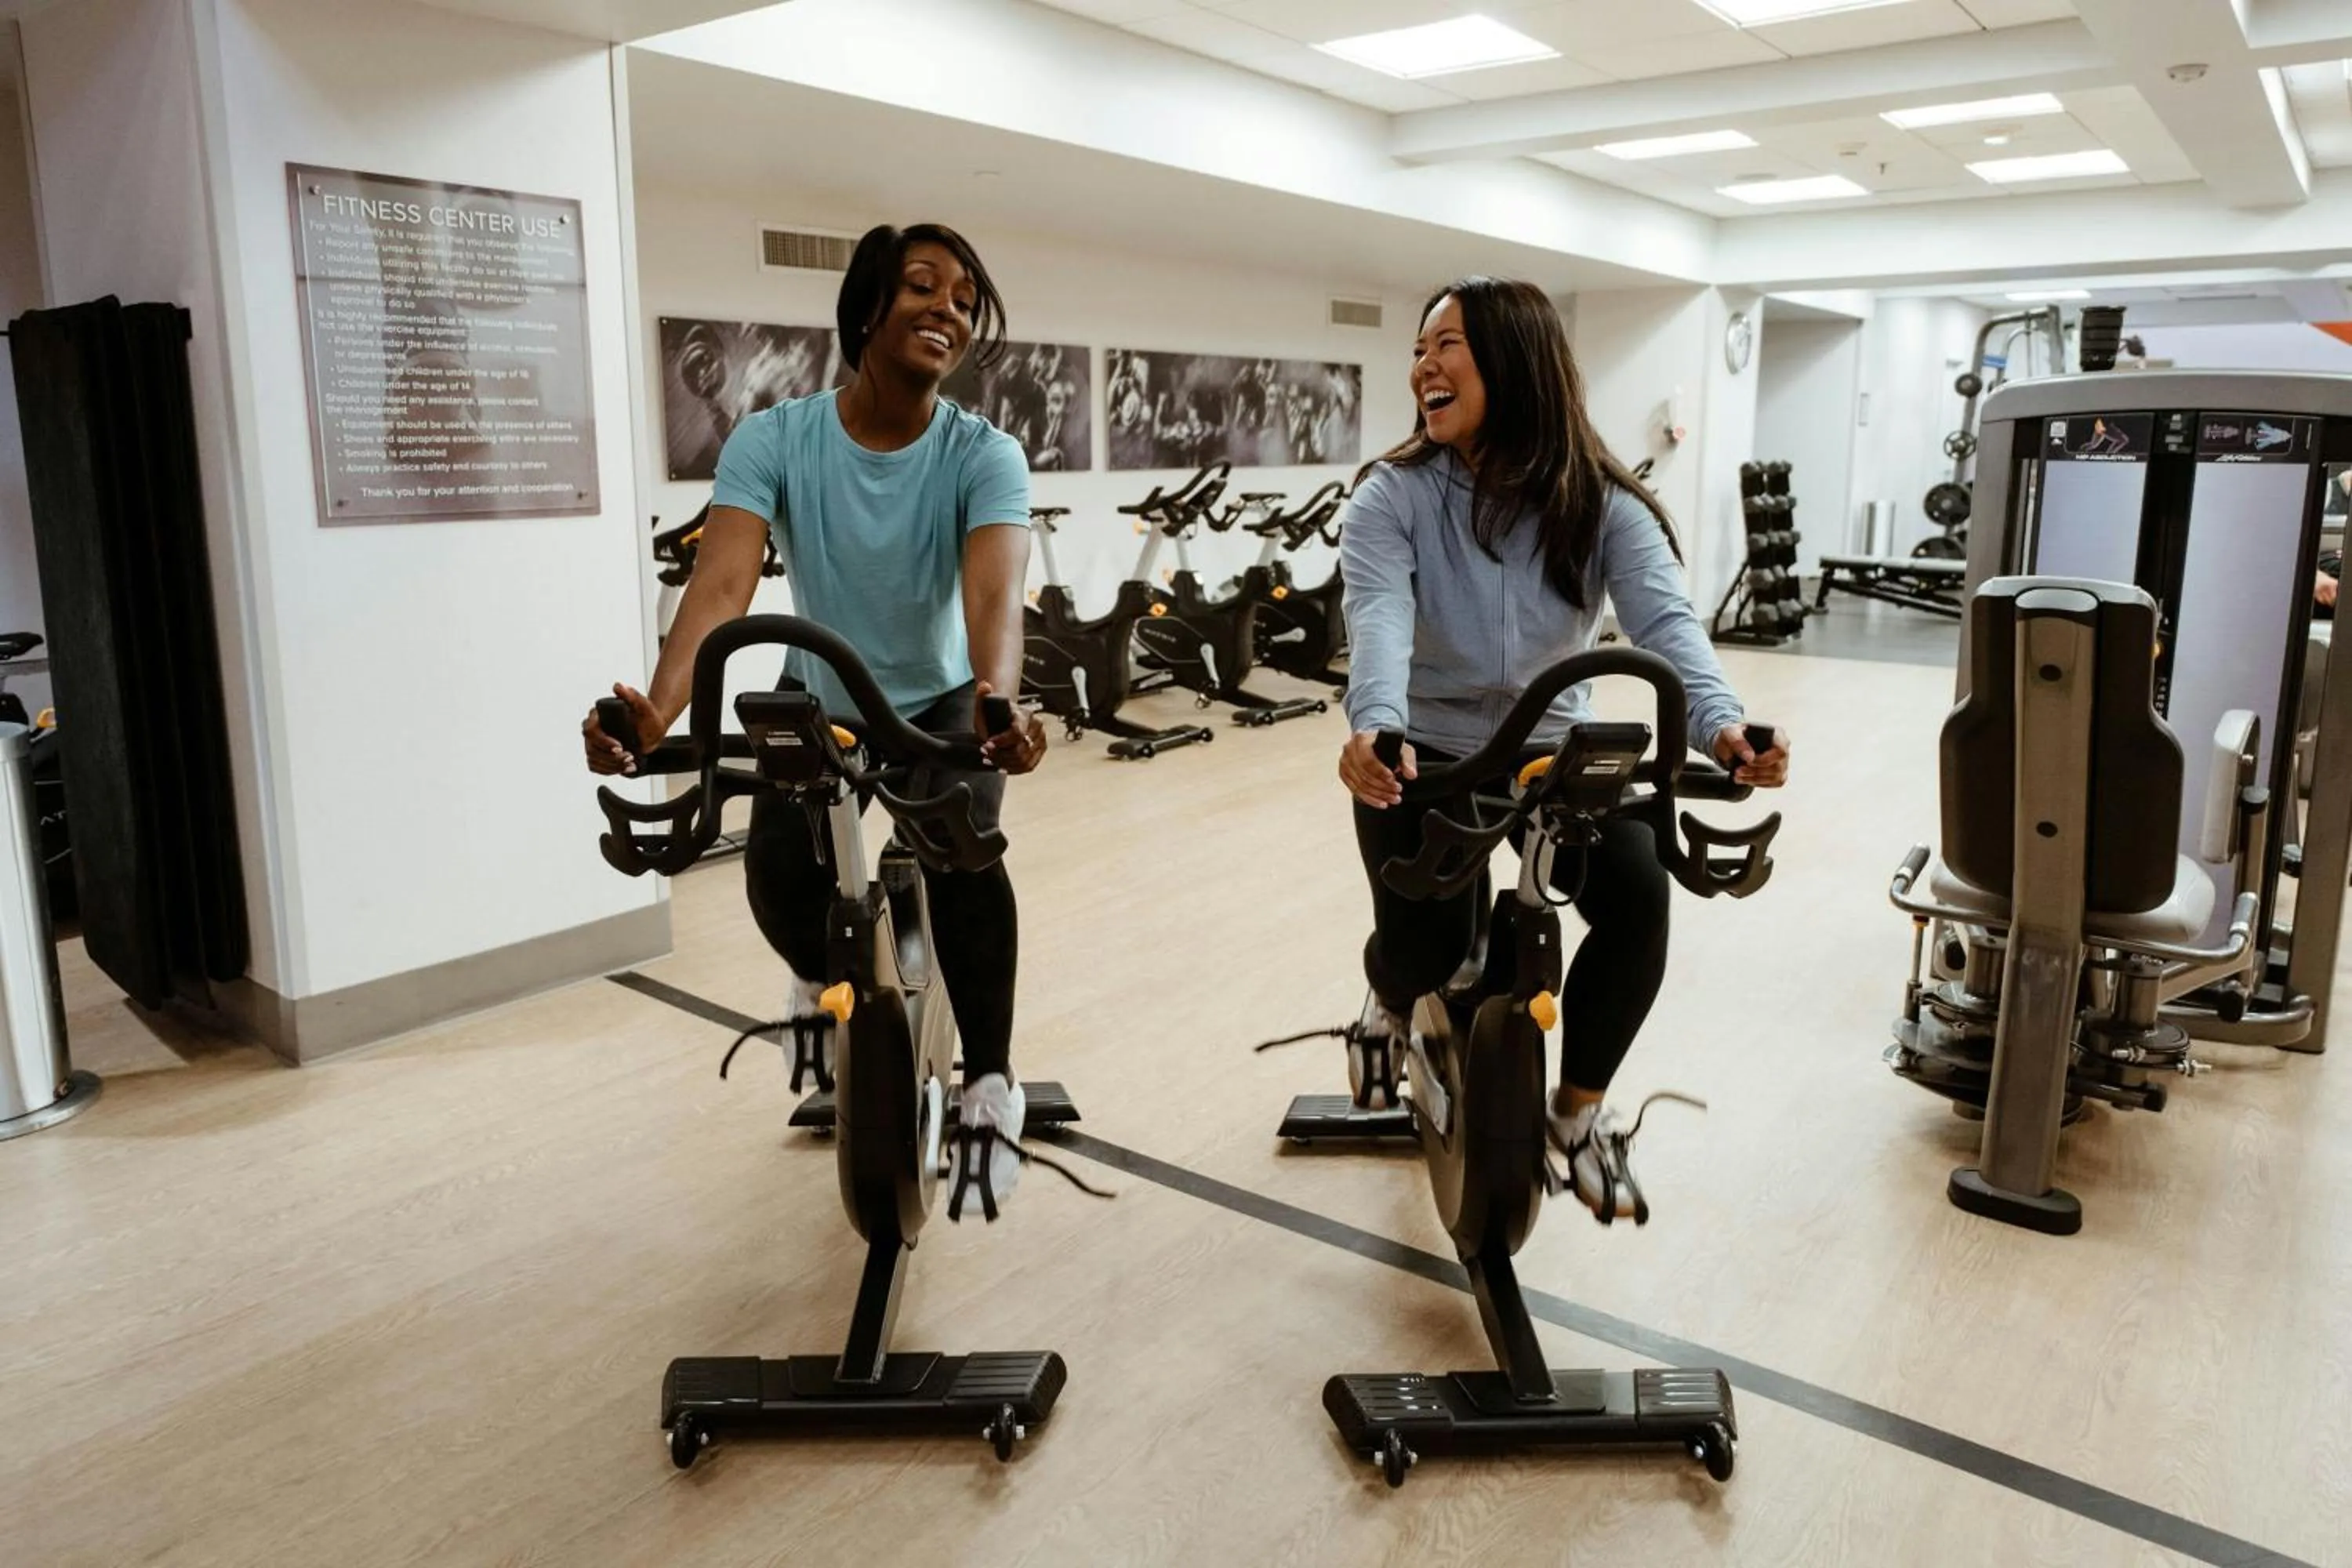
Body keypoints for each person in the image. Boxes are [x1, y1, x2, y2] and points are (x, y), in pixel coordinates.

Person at [583, 222, 1051, 1221]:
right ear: (867, 308)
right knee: (776, 874)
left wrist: (997, 701)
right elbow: (720, 587)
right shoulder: (774, 439)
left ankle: (991, 1084)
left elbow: (993, 602)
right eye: (922, 286)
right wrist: (656, 712)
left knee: (967, 861)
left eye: (965, 299)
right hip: (821, 694)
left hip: (936, 702)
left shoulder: (984, 453)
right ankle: (820, 983)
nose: (948, 309)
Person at [1336, 277, 1791, 1223]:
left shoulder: (1603, 502)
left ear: (1514, 357)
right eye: (1419, 348)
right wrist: (1372, 723)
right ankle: (1386, 1002)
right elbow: (1378, 612)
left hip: (1556, 749)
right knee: (1426, 943)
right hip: (1430, 750)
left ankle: (1576, 1115)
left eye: (1447, 343)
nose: (1423, 364)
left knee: (1634, 905)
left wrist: (1723, 724)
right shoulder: (1395, 495)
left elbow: (1667, 623)